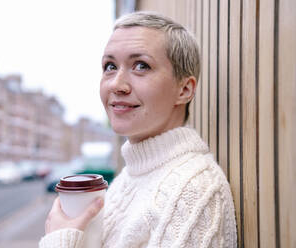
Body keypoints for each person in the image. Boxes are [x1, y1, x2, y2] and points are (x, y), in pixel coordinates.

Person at [39, 11, 237, 248]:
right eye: (110, 66)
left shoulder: (193, 192)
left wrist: (59, 241)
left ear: (184, 89)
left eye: (141, 66)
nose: (116, 84)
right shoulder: (130, 177)